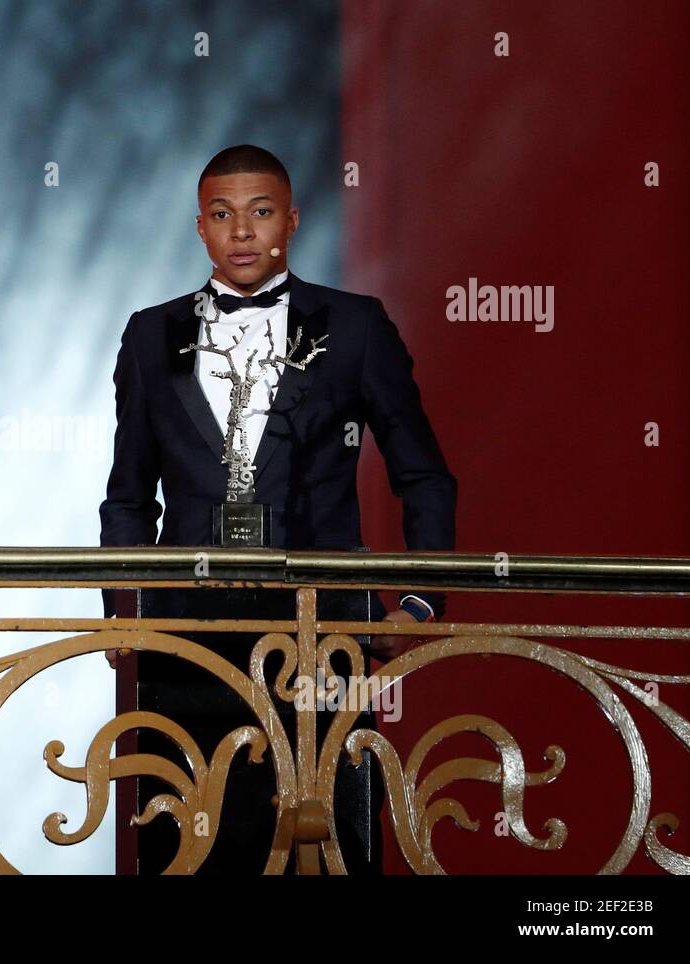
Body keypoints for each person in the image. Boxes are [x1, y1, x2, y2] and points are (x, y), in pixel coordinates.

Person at [98, 144, 457, 874]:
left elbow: (424, 475)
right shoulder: (149, 333)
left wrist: (419, 604)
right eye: (223, 215)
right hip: (185, 636)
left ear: (290, 221)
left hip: (324, 627)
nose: (241, 233)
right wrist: (121, 608)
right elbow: (127, 496)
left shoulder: (355, 327)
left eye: (260, 214)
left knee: (332, 844)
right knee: (187, 846)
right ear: (199, 227)